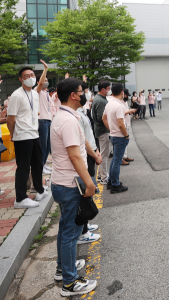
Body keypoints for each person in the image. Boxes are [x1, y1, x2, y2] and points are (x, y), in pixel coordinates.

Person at [50, 78, 98, 296]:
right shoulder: (68, 121)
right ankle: (69, 283)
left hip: (62, 182)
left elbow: (80, 146)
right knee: (71, 233)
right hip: (70, 184)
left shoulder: (66, 116)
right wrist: (89, 182)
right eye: (82, 91)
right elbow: (74, 156)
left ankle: (63, 269)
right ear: (73, 95)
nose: (84, 93)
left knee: (65, 228)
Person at [6, 62, 50, 209]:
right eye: (27, 76)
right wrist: (13, 134)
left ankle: (39, 190)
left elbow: (41, 82)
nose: (30, 78)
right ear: (21, 79)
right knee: (23, 167)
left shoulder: (34, 93)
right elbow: (10, 119)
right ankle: (20, 198)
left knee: (37, 164)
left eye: (32, 75)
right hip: (22, 136)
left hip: (34, 133)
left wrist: (45, 70)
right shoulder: (16, 95)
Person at [76, 80, 103, 242]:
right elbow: (82, 141)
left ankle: (85, 224)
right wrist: (94, 154)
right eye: (82, 92)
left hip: (91, 152)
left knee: (88, 193)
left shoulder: (80, 111)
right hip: (87, 155)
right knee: (86, 192)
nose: (86, 94)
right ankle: (83, 231)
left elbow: (89, 136)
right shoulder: (75, 116)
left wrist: (96, 150)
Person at [102, 84, 131, 193]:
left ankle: (111, 181)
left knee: (115, 160)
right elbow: (121, 124)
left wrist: (111, 129)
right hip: (120, 136)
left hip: (113, 135)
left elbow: (103, 118)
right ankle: (115, 184)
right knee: (117, 161)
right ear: (122, 92)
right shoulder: (119, 106)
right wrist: (126, 135)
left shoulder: (109, 104)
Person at [91, 81, 111, 184]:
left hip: (100, 129)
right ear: (103, 89)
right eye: (108, 88)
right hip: (103, 130)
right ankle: (104, 177)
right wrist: (110, 127)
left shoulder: (98, 98)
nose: (109, 90)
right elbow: (101, 118)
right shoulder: (101, 101)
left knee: (103, 153)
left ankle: (100, 176)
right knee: (104, 154)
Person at [38, 77, 54, 176]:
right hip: (42, 120)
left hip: (48, 120)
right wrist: (45, 69)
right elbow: (40, 84)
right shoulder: (38, 91)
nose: (46, 81)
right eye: (45, 80)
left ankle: (43, 164)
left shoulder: (46, 93)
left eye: (47, 80)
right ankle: (40, 166)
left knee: (48, 146)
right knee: (43, 146)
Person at [123, 88, 135, 163]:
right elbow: (121, 113)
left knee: (126, 142)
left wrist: (129, 112)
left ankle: (125, 156)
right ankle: (122, 158)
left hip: (127, 123)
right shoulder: (119, 103)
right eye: (126, 95)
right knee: (123, 142)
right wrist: (130, 111)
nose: (127, 97)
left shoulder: (125, 102)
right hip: (123, 124)